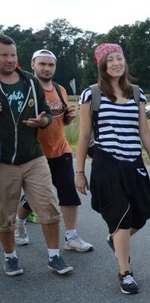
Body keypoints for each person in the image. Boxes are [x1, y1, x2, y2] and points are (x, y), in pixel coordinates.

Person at [75, 43, 150, 294]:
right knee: (122, 219)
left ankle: (115, 239)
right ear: (102, 65)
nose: (116, 63)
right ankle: (125, 273)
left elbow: (144, 130)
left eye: (120, 58)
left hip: (133, 162)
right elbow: (83, 136)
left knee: (141, 216)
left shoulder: (137, 93)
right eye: (110, 59)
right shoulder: (91, 95)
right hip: (107, 161)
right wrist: (79, 172)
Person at [0, 34, 72, 276]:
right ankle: (10, 257)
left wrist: (43, 120)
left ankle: (54, 257)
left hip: (33, 157)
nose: (10, 60)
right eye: (4, 56)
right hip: (3, 162)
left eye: (13, 55)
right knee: (4, 215)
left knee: (49, 207)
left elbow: (47, 115)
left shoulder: (30, 82)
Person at [14, 49, 94, 253]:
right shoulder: (25, 88)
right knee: (36, 198)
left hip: (61, 149)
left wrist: (69, 117)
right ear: (32, 65)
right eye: (42, 64)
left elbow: (62, 121)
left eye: (50, 65)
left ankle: (71, 237)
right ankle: (19, 223)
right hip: (35, 153)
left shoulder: (60, 90)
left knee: (68, 192)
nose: (47, 68)